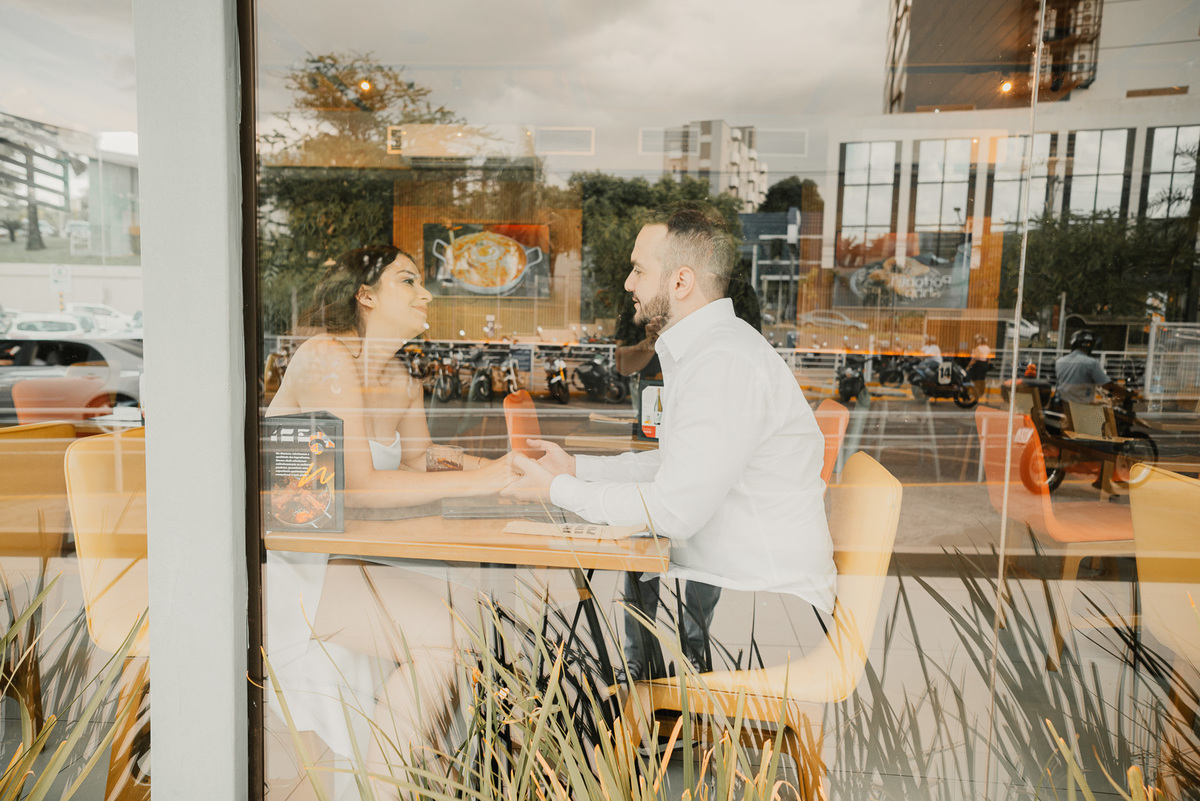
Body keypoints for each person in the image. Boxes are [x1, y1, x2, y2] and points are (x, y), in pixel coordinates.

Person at [504, 204, 835, 682]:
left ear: (680, 282)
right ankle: (652, 717)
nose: (628, 283)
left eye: (639, 270)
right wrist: (577, 469)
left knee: (586, 649)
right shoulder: (715, 349)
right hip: (747, 594)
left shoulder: (722, 361)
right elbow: (678, 468)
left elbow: (676, 507)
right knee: (625, 615)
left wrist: (559, 491)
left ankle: (654, 719)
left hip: (762, 615)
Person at [264, 246, 514, 773]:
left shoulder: (400, 377)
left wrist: (504, 470)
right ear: (366, 295)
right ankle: (392, 786)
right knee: (446, 641)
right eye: (408, 280)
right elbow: (360, 488)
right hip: (298, 568)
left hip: (347, 557)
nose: (426, 294)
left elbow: (423, 459)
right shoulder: (327, 357)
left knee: (468, 614)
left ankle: (412, 773)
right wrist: (481, 484)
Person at [1054, 329, 1126, 405]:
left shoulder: (1060, 361)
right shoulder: (1091, 363)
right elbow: (1108, 386)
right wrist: (1128, 393)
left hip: (1065, 406)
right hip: (1083, 411)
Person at [966, 333, 991, 404]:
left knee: (975, 381)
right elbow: (989, 359)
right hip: (984, 366)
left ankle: (976, 396)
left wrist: (968, 366)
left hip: (977, 366)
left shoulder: (978, 348)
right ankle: (980, 394)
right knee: (981, 380)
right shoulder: (988, 348)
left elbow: (975, 358)